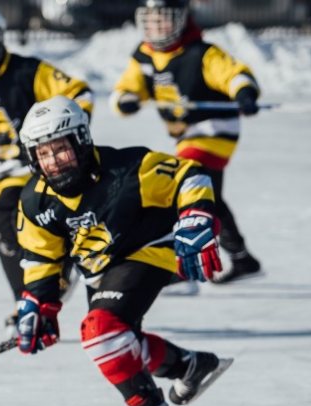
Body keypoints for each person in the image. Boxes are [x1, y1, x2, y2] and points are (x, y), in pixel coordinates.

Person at [13, 96, 234, 406]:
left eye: (61, 150)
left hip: (147, 249)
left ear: (81, 140)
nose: (53, 162)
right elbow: (41, 255)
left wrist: (196, 215)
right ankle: (190, 365)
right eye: (43, 154)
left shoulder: (129, 168)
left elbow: (189, 175)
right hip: (98, 268)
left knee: (100, 332)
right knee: (118, 343)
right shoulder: (36, 201)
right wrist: (38, 302)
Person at [0, 3, 93, 319]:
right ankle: (25, 300)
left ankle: (56, 277)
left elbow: (80, 95)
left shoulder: (28, 70)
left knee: (31, 224)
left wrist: (62, 136)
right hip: (3, 171)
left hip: (39, 167)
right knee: (1, 233)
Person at [111, 0, 262, 290]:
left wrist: (244, 92)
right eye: (151, 20)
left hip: (214, 131)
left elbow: (233, 73)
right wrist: (126, 100)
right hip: (185, 135)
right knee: (208, 195)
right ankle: (242, 257)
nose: (157, 27)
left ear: (181, 20)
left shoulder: (201, 52)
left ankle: (180, 270)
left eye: (164, 20)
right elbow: (127, 87)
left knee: (183, 186)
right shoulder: (143, 56)